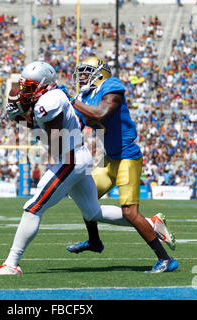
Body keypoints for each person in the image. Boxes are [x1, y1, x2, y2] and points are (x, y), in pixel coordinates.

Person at [0, 61, 176, 275]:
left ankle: (11, 264)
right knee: (93, 211)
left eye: (30, 86)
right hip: (83, 156)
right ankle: (147, 225)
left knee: (33, 207)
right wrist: (25, 118)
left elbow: (57, 138)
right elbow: (72, 124)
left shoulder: (58, 99)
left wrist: (27, 118)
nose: (26, 91)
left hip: (79, 158)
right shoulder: (67, 98)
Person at [68, 57, 178, 273]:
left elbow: (101, 113)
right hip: (110, 159)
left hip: (128, 157)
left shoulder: (111, 86)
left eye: (86, 71)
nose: (81, 76)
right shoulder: (85, 96)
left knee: (130, 212)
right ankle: (94, 242)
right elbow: (76, 123)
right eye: (80, 72)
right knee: (84, 195)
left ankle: (165, 259)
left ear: (100, 72)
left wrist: (71, 101)